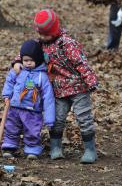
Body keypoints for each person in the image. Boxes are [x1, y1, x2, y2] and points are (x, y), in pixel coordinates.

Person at [13, 9, 99, 164]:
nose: (42, 37)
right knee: (57, 118)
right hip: (58, 90)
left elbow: (81, 63)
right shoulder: (40, 43)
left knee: (83, 117)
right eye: (40, 34)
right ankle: (55, 147)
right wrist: (18, 62)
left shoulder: (67, 43)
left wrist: (90, 80)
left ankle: (90, 149)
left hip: (78, 87)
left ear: (55, 30)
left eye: (46, 34)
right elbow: (27, 52)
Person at [1, 39, 55, 160]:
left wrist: (49, 118)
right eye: (25, 60)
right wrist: (6, 95)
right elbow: (9, 82)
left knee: (32, 131)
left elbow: (48, 97)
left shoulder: (42, 76)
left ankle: (32, 149)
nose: (28, 63)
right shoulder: (17, 70)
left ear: (38, 60)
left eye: (31, 61)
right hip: (15, 107)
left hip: (33, 110)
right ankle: (9, 147)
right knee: (11, 127)